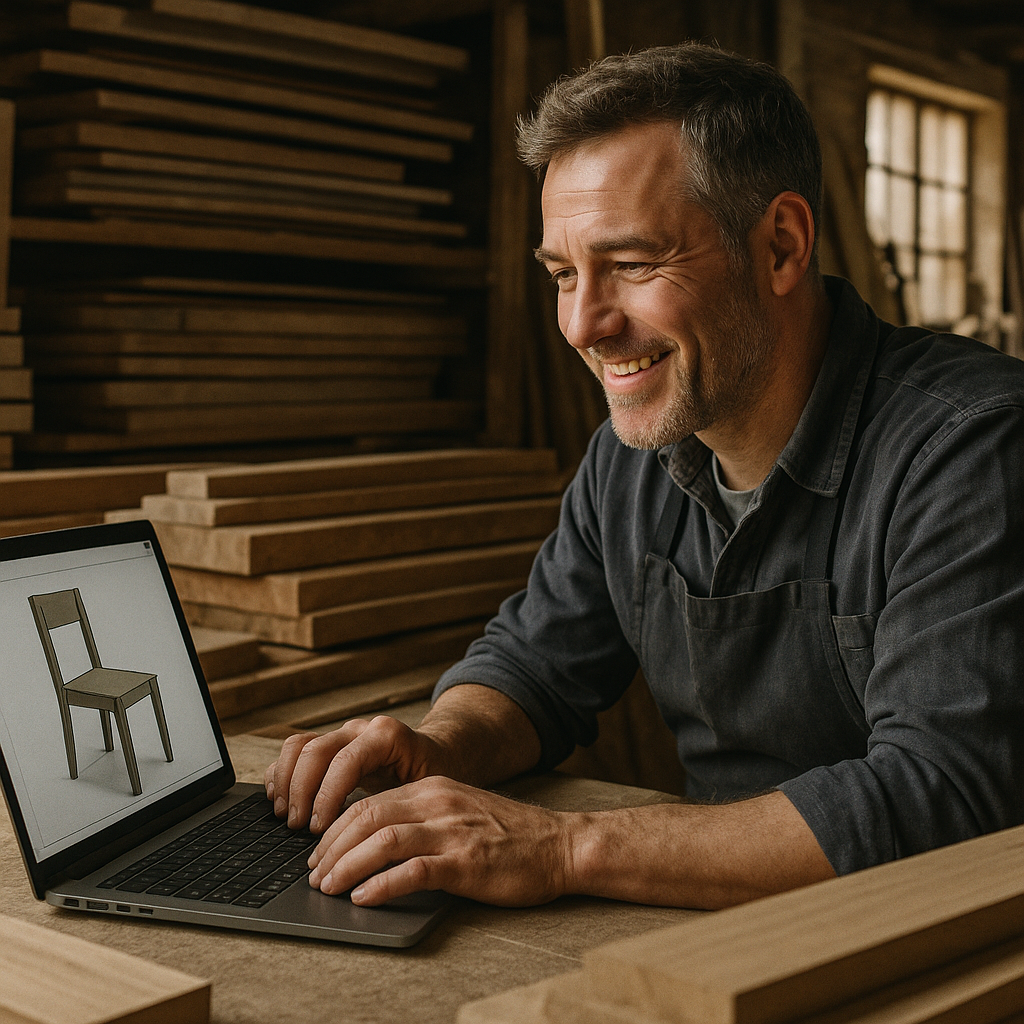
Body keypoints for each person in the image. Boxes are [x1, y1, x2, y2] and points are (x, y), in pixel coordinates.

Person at [265, 43, 1024, 911]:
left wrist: (563, 848)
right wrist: (443, 743)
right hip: (720, 930)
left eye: (630, 265)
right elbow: (535, 665)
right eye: (561, 274)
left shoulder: (974, 449)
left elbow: (943, 799)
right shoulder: (634, 460)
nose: (584, 323)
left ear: (780, 246)